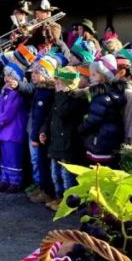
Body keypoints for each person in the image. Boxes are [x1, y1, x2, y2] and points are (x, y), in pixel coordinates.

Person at [42, 66, 88, 210]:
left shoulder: (76, 99)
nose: (57, 86)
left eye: (60, 83)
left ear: (69, 85)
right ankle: (59, 197)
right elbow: (50, 117)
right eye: (56, 83)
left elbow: (64, 113)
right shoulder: (58, 98)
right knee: (56, 175)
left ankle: (69, 202)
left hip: (68, 145)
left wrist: (62, 95)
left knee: (66, 176)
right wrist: (44, 131)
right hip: (56, 143)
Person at [80, 54, 126, 166]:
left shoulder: (100, 97)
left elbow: (93, 119)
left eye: (94, 75)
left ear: (104, 75)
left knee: (97, 171)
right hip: (110, 139)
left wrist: (81, 128)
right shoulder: (114, 94)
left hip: (99, 139)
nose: (91, 77)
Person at [0, 63, 29, 192]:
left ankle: (15, 181)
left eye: (10, 76)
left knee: (13, 156)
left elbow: (9, 111)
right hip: (4, 130)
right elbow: (0, 109)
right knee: (5, 156)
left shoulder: (15, 92)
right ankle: (5, 179)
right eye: (6, 75)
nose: (7, 78)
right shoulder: (4, 90)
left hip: (14, 129)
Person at [25, 57, 56, 204]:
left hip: (42, 135)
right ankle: (42, 188)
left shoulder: (47, 93)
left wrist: (36, 137)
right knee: (38, 163)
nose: (33, 75)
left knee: (43, 163)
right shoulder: (40, 90)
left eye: (37, 73)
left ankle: (47, 191)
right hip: (37, 133)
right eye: (33, 72)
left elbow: (42, 117)